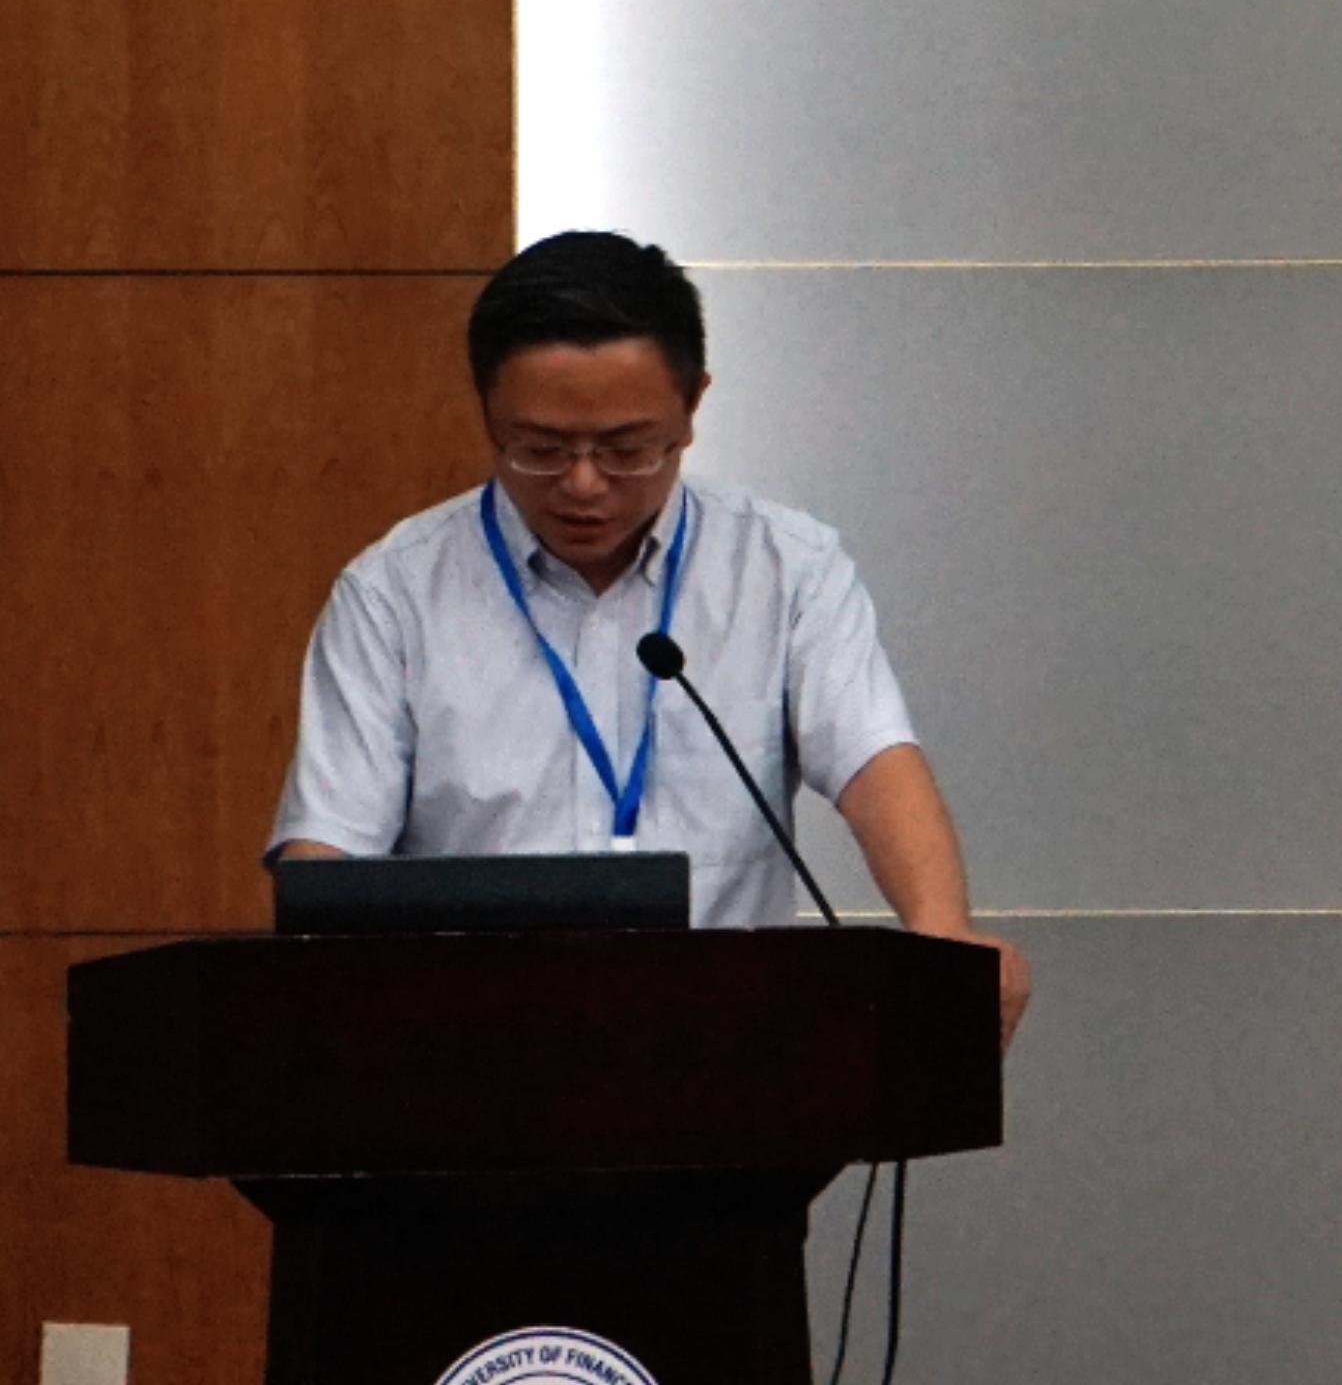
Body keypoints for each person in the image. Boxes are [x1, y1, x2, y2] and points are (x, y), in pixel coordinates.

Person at [269, 229, 1030, 1038]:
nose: (583, 484)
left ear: (693, 406)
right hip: (469, 1046)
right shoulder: (393, 593)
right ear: (488, 412)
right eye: (541, 450)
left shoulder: (785, 568)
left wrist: (943, 939)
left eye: (625, 449)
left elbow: (873, 762)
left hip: (728, 1043)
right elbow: (329, 859)